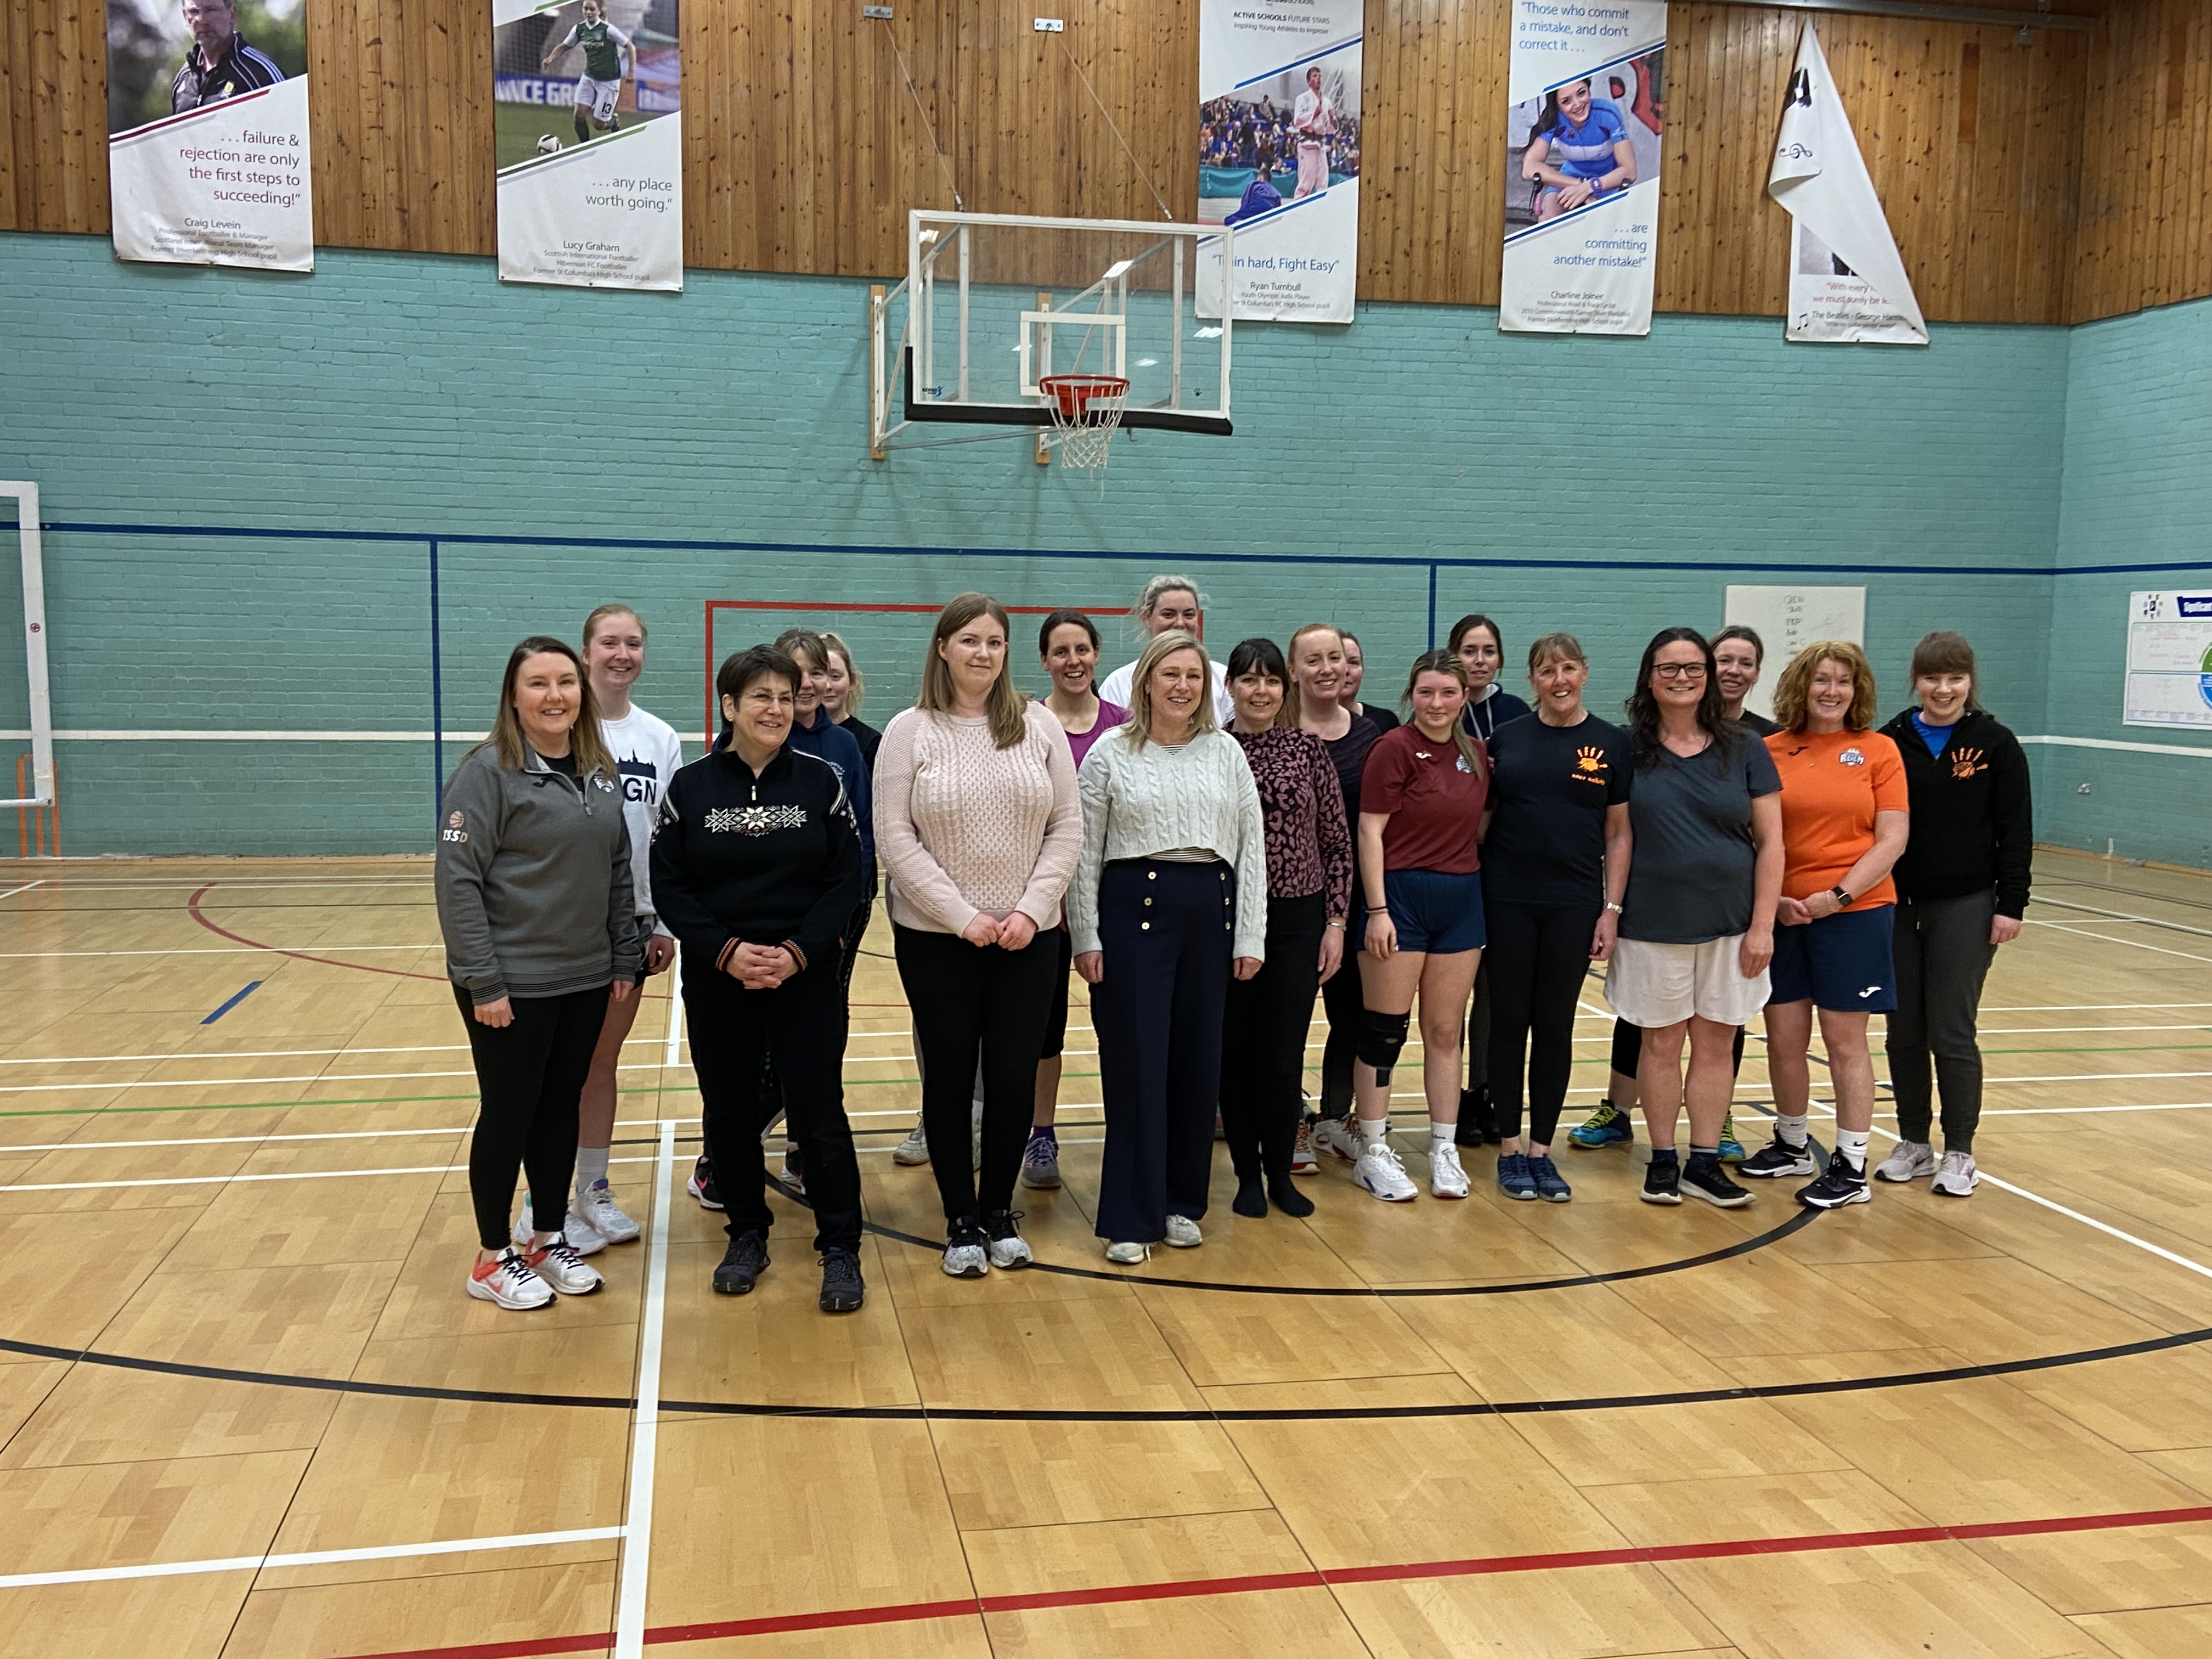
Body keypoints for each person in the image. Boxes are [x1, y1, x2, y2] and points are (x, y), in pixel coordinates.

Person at [652, 645, 869, 1312]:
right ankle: (746, 1233)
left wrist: (799, 953)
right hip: (723, 978)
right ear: (730, 707)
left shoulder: (822, 782)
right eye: (760, 698)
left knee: (817, 1111)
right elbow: (671, 885)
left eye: (785, 696)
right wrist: (725, 951)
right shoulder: (690, 788)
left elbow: (848, 880)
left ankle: (840, 1248)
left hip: (803, 977)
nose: (775, 709)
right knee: (730, 1110)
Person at [876, 595, 1083, 1277]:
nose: (983, 653)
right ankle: (960, 1218)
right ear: (943, 648)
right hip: (938, 940)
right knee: (950, 1075)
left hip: (1031, 936)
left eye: (995, 642)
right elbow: (895, 838)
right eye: (969, 641)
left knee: (1012, 1077)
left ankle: (999, 1211)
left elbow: (1068, 829)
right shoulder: (910, 731)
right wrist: (962, 916)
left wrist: (1029, 909)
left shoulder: (1039, 724)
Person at [437, 636, 641, 1311]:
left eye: (565, 682)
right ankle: (492, 1258)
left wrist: (621, 953)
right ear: (514, 696)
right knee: (510, 1113)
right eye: (538, 684)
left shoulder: (600, 770)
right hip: (512, 984)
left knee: (559, 1108)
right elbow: (458, 881)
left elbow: (616, 869)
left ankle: (547, 1238)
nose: (555, 696)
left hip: (584, 977)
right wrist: (483, 982)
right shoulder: (486, 772)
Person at [1070, 631, 1266, 1262]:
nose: (1182, 686)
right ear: (1146, 682)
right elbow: (1083, 856)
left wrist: (1251, 933)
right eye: (1169, 674)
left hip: (1210, 912)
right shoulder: (1108, 754)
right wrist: (1086, 934)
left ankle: (1183, 1201)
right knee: (1136, 1063)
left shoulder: (1225, 753)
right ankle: (1131, 1213)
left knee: (1194, 1063)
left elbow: (1251, 849)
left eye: (1193, 676)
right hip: (1134, 911)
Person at [515, 605, 682, 1254]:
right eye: (609, 642)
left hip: (629, 928)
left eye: (633, 643)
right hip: (556, 934)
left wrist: (661, 920)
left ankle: (592, 1188)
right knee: (553, 1073)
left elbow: (667, 839)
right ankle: (543, 1199)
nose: (622, 653)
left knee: (599, 1064)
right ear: (586, 654)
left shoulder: (660, 738)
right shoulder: (556, 733)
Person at [1605, 628, 1782, 1208]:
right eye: (1668, 668)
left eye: (1692, 668)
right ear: (1649, 678)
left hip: (1732, 926)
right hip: (1653, 925)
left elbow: (1772, 842)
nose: (1681, 678)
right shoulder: (1629, 748)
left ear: (1707, 677)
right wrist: (1610, 911)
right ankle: (1661, 1159)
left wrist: (1762, 926)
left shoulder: (1746, 748)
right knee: (1659, 1046)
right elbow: (1619, 835)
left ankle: (1703, 1162)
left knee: (1715, 1044)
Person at [1738, 641, 1910, 1209]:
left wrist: (1837, 896)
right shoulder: (1770, 750)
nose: (1831, 691)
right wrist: (1779, 901)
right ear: (1801, 688)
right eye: (1821, 681)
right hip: (1785, 916)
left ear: (1857, 691)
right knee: (1784, 1038)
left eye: (1843, 682)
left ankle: (1853, 1165)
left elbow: (1892, 839)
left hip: (1854, 915)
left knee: (1844, 1041)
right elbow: (1760, 837)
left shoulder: (1879, 751)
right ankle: (1791, 1144)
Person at [1872, 632, 2029, 1198]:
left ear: (1970, 682)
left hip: (1966, 903)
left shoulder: (1995, 743)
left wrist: (2010, 904)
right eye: (1933, 678)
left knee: (1951, 1029)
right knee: (1903, 1030)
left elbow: (2016, 830)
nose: (1943, 689)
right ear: (1916, 680)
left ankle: (1959, 1150)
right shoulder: (1888, 740)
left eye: (1955, 679)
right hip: (1894, 905)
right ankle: (1914, 1142)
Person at [1480, 634, 1629, 1203]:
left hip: (1573, 904)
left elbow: (1619, 834)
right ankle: (1510, 1149)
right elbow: (1482, 822)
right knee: (1509, 1019)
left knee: (1555, 1025)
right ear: (1533, 679)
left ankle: (1543, 1151)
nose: (1559, 679)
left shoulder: (1611, 744)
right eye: (1547, 671)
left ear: (1585, 673)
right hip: (1507, 900)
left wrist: (1610, 909)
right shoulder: (1507, 740)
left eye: (1568, 668)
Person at [1348, 651, 1488, 1204]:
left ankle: (1444, 1147)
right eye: (1426, 693)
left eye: (1448, 694)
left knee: (1446, 1031)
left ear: (1463, 697)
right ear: (1412, 694)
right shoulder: (1394, 748)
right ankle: (1374, 1150)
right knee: (1385, 1033)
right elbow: (1370, 832)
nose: (1437, 704)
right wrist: (1378, 911)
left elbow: (1478, 826)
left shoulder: (1477, 754)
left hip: (1461, 903)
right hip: (1400, 902)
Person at [1221, 638, 1351, 1218]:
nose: (1261, 690)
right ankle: (1246, 1175)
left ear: (1285, 688)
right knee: (1235, 1054)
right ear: (1231, 688)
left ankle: (1280, 1172)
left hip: (1298, 920)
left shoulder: (1307, 749)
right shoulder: (1213, 749)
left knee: (1281, 1055)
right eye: (1249, 680)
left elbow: (1336, 842)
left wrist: (1336, 921)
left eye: (1271, 680)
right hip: (1229, 922)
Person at [1023, 610, 1128, 1189]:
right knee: (1046, 1028)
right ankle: (1040, 1135)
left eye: (1082, 649)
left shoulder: (1124, 725)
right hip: (1044, 901)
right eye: (1060, 651)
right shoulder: (1026, 724)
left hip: (1114, 898)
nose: (1072, 661)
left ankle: (1132, 1129)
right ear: (1044, 661)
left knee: (1123, 1021)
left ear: (1096, 655)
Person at [1288, 623, 1383, 1172]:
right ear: (1295, 671)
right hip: (1292, 905)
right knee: (1289, 1021)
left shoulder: (1371, 736)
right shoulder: (1269, 733)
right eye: (1315, 660)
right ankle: (1290, 1121)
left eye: (1337, 659)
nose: (1329, 669)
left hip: (1354, 905)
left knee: (1352, 1019)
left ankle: (1333, 1117)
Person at [1446, 614, 1531, 1144]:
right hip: (1453, 867)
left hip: (1501, 869)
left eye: (1488, 651)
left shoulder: (1517, 716)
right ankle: (1450, 1096)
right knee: (1448, 999)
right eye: (1469, 651)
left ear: (1500, 659)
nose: (1479, 660)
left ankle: (1486, 1091)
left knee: (1493, 994)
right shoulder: (1441, 707)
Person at [1096, 575, 1235, 724]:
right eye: (1168, 614)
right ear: (1147, 618)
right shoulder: (1118, 684)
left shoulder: (1222, 679)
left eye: (1189, 615)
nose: (1180, 623)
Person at [1522, 76, 1635, 221]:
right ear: (1558, 106)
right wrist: (1579, 185)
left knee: (1604, 224)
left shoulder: (1607, 113)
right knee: (1547, 217)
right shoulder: (1554, 118)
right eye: (1566, 101)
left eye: (1581, 93)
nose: (1577, 104)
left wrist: (1591, 187)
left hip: (1608, 180)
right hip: (1570, 179)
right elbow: (1529, 168)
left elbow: (1630, 171)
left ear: (1589, 91)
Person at [541, 0, 634, 149]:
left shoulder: (608, 30)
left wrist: (631, 72)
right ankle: (584, 147)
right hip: (589, 77)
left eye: (592, 9)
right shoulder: (579, 29)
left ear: (598, 11)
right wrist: (551, 58)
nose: (588, 12)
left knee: (599, 124)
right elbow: (565, 46)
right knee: (579, 115)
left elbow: (630, 46)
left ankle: (613, 121)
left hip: (609, 81)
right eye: (586, 9)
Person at [171, 0, 284, 114]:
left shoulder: (260, 72)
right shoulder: (183, 78)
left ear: (231, 15)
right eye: (194, 11)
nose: (202, 20)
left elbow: (292, 124)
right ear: (186, 17)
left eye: (211, 10)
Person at [818, 631, 882, 771]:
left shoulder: (871, 743)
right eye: (819, 675)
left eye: (835, 676)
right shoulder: (788, 737)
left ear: (852, 681)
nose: (828, 686)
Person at [1714, 625, 1779, 736]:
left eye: (1746, 664)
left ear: (1756, 674)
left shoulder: (1770, 736)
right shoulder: (1682, 728)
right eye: (1724, 661)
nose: (1734, 671)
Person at [1336, 631, 1398, 732]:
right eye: (1337, 661)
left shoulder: (1386, 721)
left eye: (1354, 663)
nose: (1346, 671)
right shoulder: (1304, 725)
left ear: (1363, 670)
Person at [1291, 65, 1337, 199]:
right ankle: (1298, 209)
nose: (1318, 79)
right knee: (1306, 180)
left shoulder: (1327, 102)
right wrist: (1313, 114)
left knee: (1323, 181)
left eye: (1320, 76)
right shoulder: (1302, 99)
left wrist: (1332, 118)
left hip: (1321, 145)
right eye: (1315, 76)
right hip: (1307, 144)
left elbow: (1331, 129)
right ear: (1309, 81)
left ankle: (1321, 208)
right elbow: (1297, 122)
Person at [1226, 133, 1284, 225]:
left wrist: (1243, 214)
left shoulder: (1255, 184)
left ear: (1260, 177)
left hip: (1259, 206)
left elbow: (1246, 201)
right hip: (1272, 212)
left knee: (1229, 220)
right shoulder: (1276, 192)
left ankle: (1240, 223)